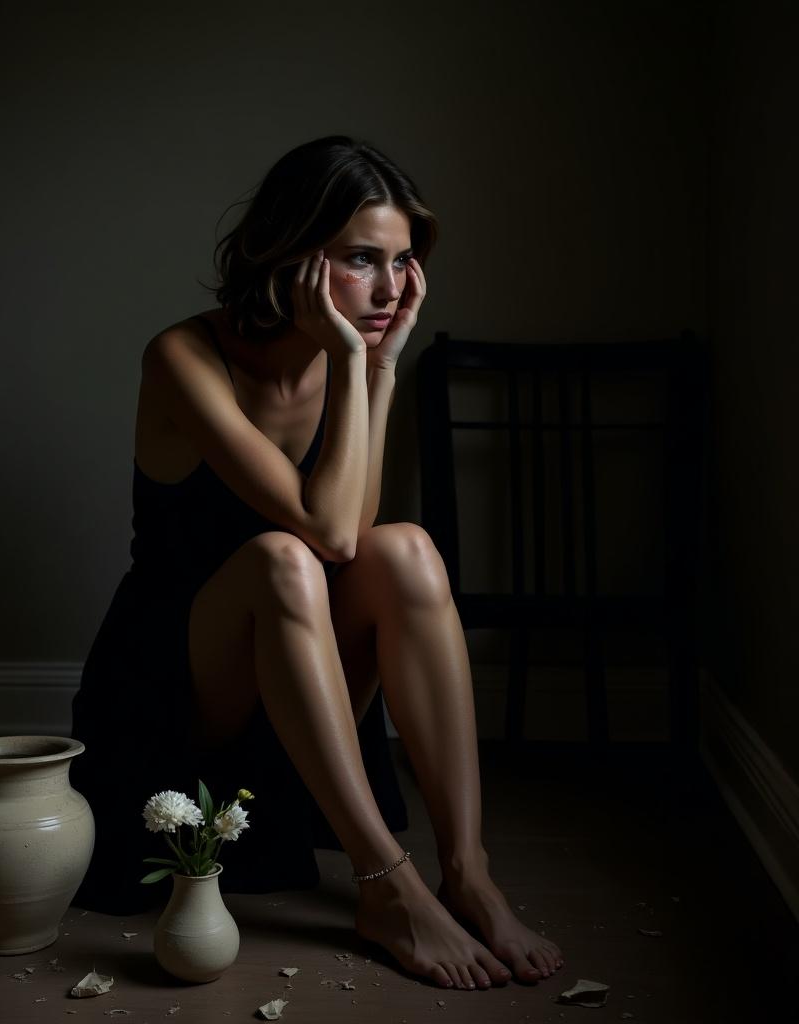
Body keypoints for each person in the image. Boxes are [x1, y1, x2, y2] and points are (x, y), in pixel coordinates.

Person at [69, 135, 563, 991]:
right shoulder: (184, 357)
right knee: (281, 560)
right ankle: (385, 883)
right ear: (295, 259)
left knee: (405, 548)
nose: (390, 288)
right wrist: (350, 357)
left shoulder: (361, 354)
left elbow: (359, 532)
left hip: (300, 678)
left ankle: (467, 871)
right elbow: (322, 538)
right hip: (174, 697)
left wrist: (377, 368)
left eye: (403, 262)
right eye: (362, 259)